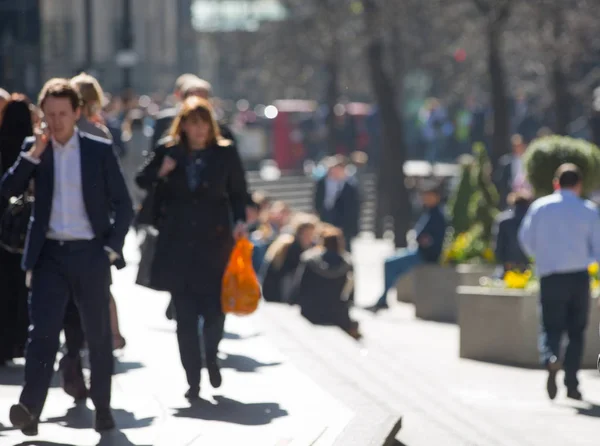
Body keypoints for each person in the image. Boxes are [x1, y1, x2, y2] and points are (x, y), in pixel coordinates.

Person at [1, 78, 133, 435]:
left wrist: (111, 247)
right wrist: (32, 156)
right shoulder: (35, 148)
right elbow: (7, 190)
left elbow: (123, 204)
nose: (57, 121)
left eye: (63, 113)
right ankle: (30, 409)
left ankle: (103, 408)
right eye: (50, 114)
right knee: (41, 334)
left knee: (98, 335)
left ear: (77, 113)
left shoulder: (97, 150)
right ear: (42, 116)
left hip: (90, 253)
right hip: (49, 256)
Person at [135, 96, 248, 400]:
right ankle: (192, 378)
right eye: (192, 123)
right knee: (184, 317)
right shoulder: (169, 151)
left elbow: (239, 193)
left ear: (210, 126)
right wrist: (162, 171)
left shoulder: (225, 153)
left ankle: (211, 356)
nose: (198, 130)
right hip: (177, 245)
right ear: (182, 125)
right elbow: (141, 178)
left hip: (215, 243)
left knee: (214, 310)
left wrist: (239, 222)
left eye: (203, 124)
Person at [518, 163, 600, 401]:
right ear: (579, 184)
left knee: (550, 325)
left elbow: (526, 239)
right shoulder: (588, 210)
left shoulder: (540, 207)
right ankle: (572, 384)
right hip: (578, 277)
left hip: (551, 276)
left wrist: (542, 257)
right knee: (576, 331)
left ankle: (552, 357)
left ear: (556, 183)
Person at [368, 181, 447, 312]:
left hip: (425, 255)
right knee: (392, 265)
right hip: (419, 251)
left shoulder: (438, 215)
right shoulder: (429, 211)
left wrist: (425, 240)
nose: (424, 198)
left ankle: (382, 300)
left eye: (428, 195)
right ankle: (383, 298)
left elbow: (434, 239)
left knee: (390, 264)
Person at [0, 94, 33, 365]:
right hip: (23, 230)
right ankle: (18, 340)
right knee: (20, 287)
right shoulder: (33, 150)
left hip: (4, 227)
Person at [292, 226, 360, 339]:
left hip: (311, 311)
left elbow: (299, 287)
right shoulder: (347, 264)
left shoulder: (309, 261)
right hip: (337, 313)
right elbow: (350, 293)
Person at [314, 155, 360, 252]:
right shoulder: (322, 183)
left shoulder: (350, 186)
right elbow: (317, 201)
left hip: (343, 222)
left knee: (344, 248)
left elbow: (354, 207)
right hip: (326, 219)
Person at [492, 191, 532, 274]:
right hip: (528, 266)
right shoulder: (532, 220)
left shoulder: (502, 220)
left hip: (508, 265)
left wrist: (503, 260)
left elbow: (498, 246)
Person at [493, 134, 529, 209]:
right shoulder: (505, 162)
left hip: (526, 197)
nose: (518, 148)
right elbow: (500, 181)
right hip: (510, 197)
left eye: (519, 145)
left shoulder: (529, 160)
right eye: (515, 145)